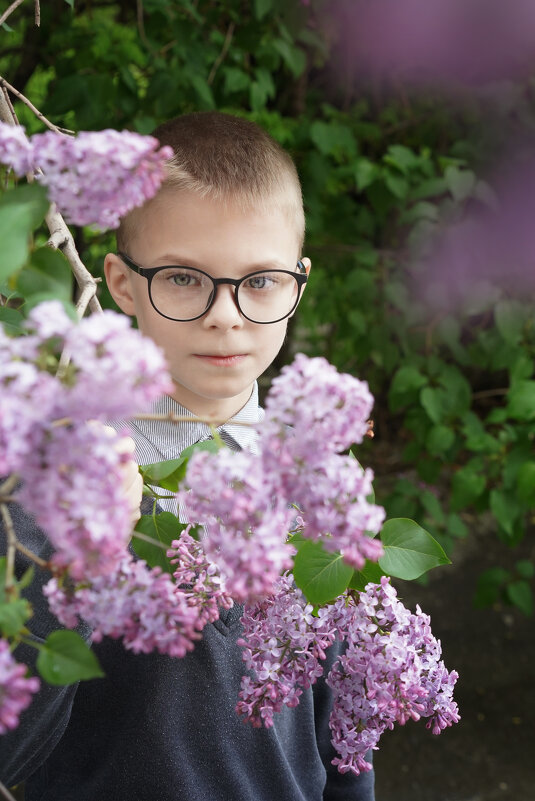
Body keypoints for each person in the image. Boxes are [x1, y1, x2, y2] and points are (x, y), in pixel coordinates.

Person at [0, 111, 375, 801]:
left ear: (298, 283)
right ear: (120, 282)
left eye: (259, 280)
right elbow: (8, 750)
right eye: (182, 277)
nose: (225, 314)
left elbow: (343, 729)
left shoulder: (315, 479)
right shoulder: (56, 476)